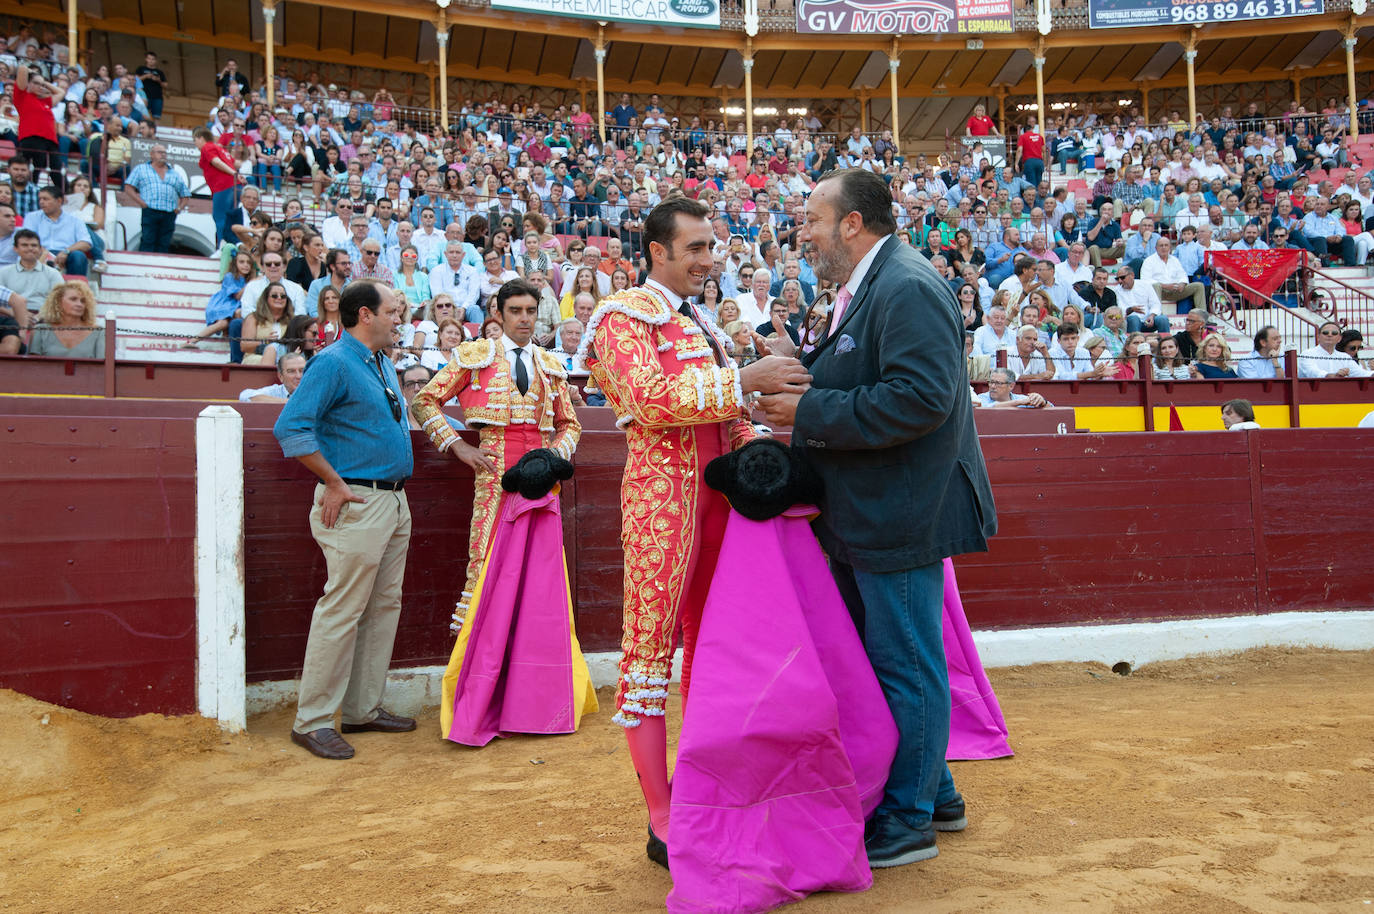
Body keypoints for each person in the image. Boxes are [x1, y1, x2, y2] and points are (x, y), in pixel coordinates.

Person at [756, 168, 996, 869]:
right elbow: (871, 378)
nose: (803, 233)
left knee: (904, 663)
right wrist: (798, 373)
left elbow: (920, 399)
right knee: (889, 657)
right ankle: (938, 790)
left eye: (812, 220)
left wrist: (808, 411)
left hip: (900, 506)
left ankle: (910, 816)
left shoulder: (908, 286)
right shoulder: (874, 285)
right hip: (875, 503)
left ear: (852, 224)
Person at [579, 195, 810, 867]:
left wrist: (759, 445)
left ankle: (707, 783)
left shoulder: (700, 321)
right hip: (663, 504)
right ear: (658, 252)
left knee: (715, 648)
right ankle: (660, 811)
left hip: (720, 500)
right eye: (697, 249)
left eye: (714, 247)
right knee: (650, 652)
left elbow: (725, 419)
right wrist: (742, 380)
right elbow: (649, 401)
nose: (710, 261)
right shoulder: (621, 316)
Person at [410, 278, 595, 746]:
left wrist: (554, 459)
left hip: (540, 480)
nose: (525, 318)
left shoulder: (551, 364)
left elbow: (571, 424)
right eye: (516, 310)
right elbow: (424, 400)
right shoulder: (474, 356)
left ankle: (533, 693)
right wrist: (457, 446)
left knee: (540, 579)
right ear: (500, 312)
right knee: (487, 573)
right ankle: (481, 693)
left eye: (531, 310)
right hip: (493, 474)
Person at [272, 280, 415, 761]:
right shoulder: (332, 361)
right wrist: (333, 482)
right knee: (344, 608)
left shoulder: (381, 363)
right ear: (365, 315)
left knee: (381, 607)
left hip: (392, 500)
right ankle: (312, 721)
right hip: (356, 500)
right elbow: (290, 426)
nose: (400, 319)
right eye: (393, 311)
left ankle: (362, 708)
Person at [124, 143, 189, 253]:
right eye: (160, 152)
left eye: (164, 153)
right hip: (150, 210)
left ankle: (160, 267)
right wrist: (142, 203)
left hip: (169, 212)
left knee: (164, 242)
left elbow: (185, 194)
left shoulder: (175, 173)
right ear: (152, 154)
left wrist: (179, 208)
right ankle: (144, 266)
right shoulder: (141, 169)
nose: (163, 155)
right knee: (147, 240)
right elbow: (128, 187)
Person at [195, 127, 243, 246]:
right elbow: (237, 163)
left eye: (195, 140)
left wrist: (234, 174)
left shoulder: (207, 147)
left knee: (220, 218)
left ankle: (222, 246)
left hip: (223, 187)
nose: (195, 144)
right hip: (235, 186)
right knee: (232, 219)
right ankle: (234, 245)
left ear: (201, 138)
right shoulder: (221, 149)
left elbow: (216, 162)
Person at [27, 282, 102, 358]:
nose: (79, 304)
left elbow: (102, 366)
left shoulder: (99, 332)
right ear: (58, 302)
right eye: (73, 299)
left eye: (83, 301)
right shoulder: (40, 330)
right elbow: (33, 366)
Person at [0, 228, 63, 308]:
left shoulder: (53, 273)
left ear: (40, 249)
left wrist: (41, 316)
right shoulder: (3, 273)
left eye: (34, 245)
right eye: (24, 245)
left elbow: (60, 301)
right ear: (15, 249)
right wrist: (15, 314)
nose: (30, 248)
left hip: (43, 317)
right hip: (12, 316)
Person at [1298, 321, 1373, 378]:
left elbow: (1361, 373)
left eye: (1334, 333)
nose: (1329, 335)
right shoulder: (1307, 354)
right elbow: (1313, 372)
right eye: (1325, 332)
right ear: (1318, 337)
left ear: (1339, 338)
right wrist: (1334, 375)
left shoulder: (1344, 357)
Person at [239, 351, 307, 403]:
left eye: (302, 371)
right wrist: (290, 402)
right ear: (281, 377)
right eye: (291, 371)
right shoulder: (276, 391)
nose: (298, 376)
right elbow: (245, 396)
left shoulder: (316, 391)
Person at [975, 367, 1049, 408]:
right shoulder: (980, 398)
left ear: (1011, 386)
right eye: (991, 382)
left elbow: (1051, 409)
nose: (993, 386)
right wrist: (1019, 402)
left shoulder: (1022, 399)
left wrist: (1042, 402)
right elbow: (988, 408)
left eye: (998, 383)